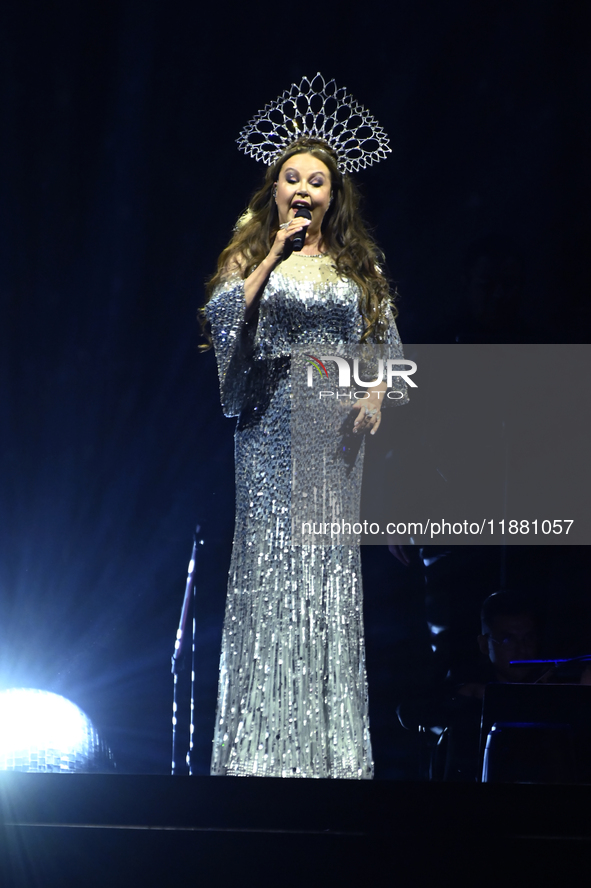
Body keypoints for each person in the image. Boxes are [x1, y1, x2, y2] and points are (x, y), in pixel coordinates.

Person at [201, 75, 405, 778]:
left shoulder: (358, 266)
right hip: (265, 427)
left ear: (333, 194)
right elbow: (226, 320)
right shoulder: (250, 256)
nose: (304, 189)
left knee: (323, 582)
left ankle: (327, 760)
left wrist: (374, 398)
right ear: (275, 188)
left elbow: (388, 350)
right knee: (267, 574)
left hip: (332, 432)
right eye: (292, 177)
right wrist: (271, 255)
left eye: (316, 180)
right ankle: (257, 757)